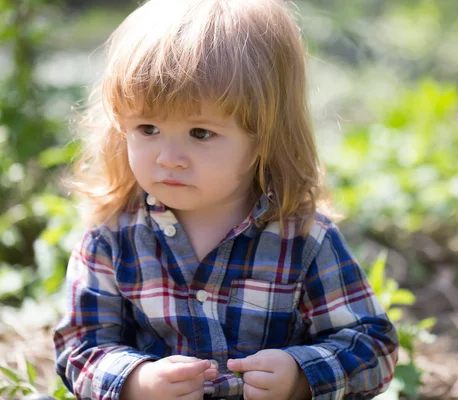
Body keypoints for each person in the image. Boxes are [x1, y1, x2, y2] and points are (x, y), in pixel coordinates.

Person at [52, 0, 399, 398]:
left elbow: (374, 344)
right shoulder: (113, 239)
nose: (168, 158)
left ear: (265, 138)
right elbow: (80, 347)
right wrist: (135, 382)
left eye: (200, 133)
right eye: (147, 128)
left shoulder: (302, 239)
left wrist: (301, 376)